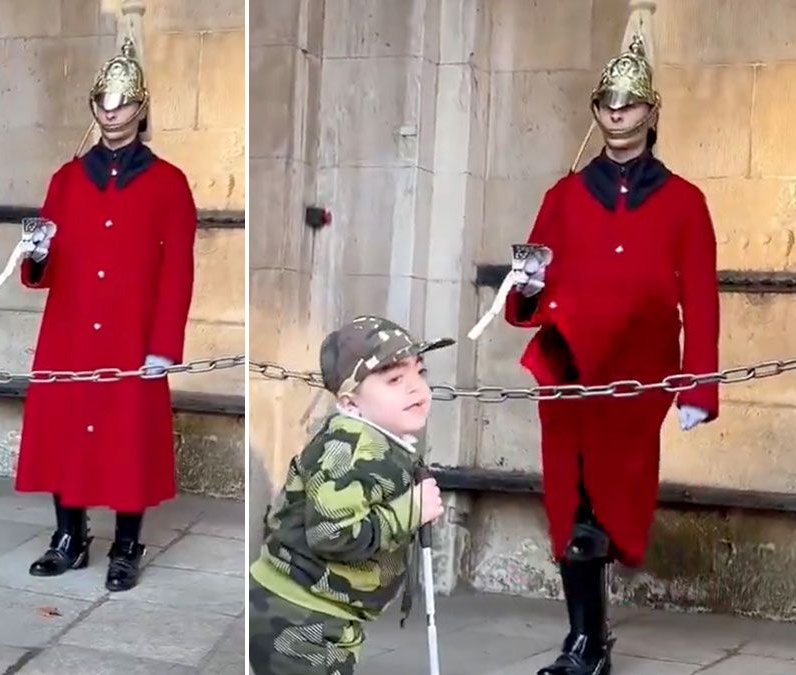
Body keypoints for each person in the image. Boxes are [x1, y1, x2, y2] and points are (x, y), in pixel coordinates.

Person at [505, 32, 720, 675]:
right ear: (596, 111)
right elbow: (526, 290)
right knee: (572, 506)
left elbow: (702, 301)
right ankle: (586, 643)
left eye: (630, 103)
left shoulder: (686, 202)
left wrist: (698, 386)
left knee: (611, 501)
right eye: (607, 102)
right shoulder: (563, 196)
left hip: (638, 373)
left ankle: (590, 644)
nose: (618, 112)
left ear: (652, 112)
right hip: (568, 368)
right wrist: (527, 285)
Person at [15, 35, 198, 593]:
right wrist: (38, 251)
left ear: (140, 108)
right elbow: (40, 267)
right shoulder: (65, 180)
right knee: (64, 432)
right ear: (93, 106)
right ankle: (68, 536)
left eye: (122, 103)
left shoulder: (169, 183)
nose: (111, 112)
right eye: (103, 102)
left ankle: (126, 545)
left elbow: (179, 272)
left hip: (131, 334)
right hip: (70, 331)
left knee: (128, 441)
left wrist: (162, 344)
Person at [247, 315, 452, 675]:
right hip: (299, 618)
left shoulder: (378, 439)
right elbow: (331, 533)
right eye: (394, 379)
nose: (416, 388)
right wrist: (410, 511)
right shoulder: (350, 446)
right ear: (351, 402)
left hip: (322, 610)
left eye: (420, 372)